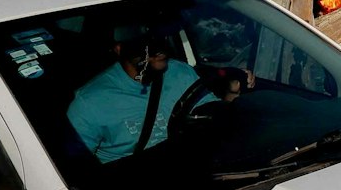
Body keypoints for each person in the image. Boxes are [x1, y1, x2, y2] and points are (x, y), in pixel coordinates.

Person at [67, 26, 249, 164]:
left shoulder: (181, 73)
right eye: (146, 44)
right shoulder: (89, 102)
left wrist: (232, 92)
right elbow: (75, 171)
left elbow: (216, 120)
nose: (159, 50)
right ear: (119, 49)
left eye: (160, 40)